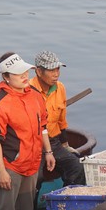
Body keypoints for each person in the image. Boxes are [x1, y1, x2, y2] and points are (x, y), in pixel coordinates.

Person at [0, 52, 55, 210]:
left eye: (25, 72)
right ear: (5, 77)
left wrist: (48, 152)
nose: (24, 76)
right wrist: (2, 172)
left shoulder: (36, 96)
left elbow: (43, 126)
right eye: (18, 73)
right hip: (10, 166)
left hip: (31, 164)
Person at [30, 50, 86, 189]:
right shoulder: (28, 90)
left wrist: (65, 145)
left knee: (77, 168)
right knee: (36, 178)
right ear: (38, 71)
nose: (56, 74)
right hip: (32, 144)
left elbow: (61, 121)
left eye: (58, 69)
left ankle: (66, 203)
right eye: (51, 70)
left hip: (53, 141)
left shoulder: (60, 88)